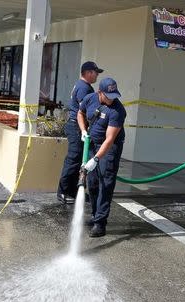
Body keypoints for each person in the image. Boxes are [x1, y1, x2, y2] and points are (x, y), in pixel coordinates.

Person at [78, 78, 126, 237]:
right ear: (100, 93)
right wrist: (83, 130)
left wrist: (96, 159)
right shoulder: (90, 98)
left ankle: (100, 223)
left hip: (110, 147)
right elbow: (80, 113)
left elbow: (110, 139)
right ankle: (94, 215)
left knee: (105, 182)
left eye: (114, 95)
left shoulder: (118, 111)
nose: (112, 99)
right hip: (92, 144)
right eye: (109, 96)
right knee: (92, 183)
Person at [57, 61, 103, 204]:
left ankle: (74, 191)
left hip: (76, 126)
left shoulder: (81, 85)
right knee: (73, 160)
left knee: (77, 161)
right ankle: (64, 192)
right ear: (89, 72)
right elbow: (85, 111)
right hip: (76, 127)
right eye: (96, 73)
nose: (97, 76)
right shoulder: (85, 88)